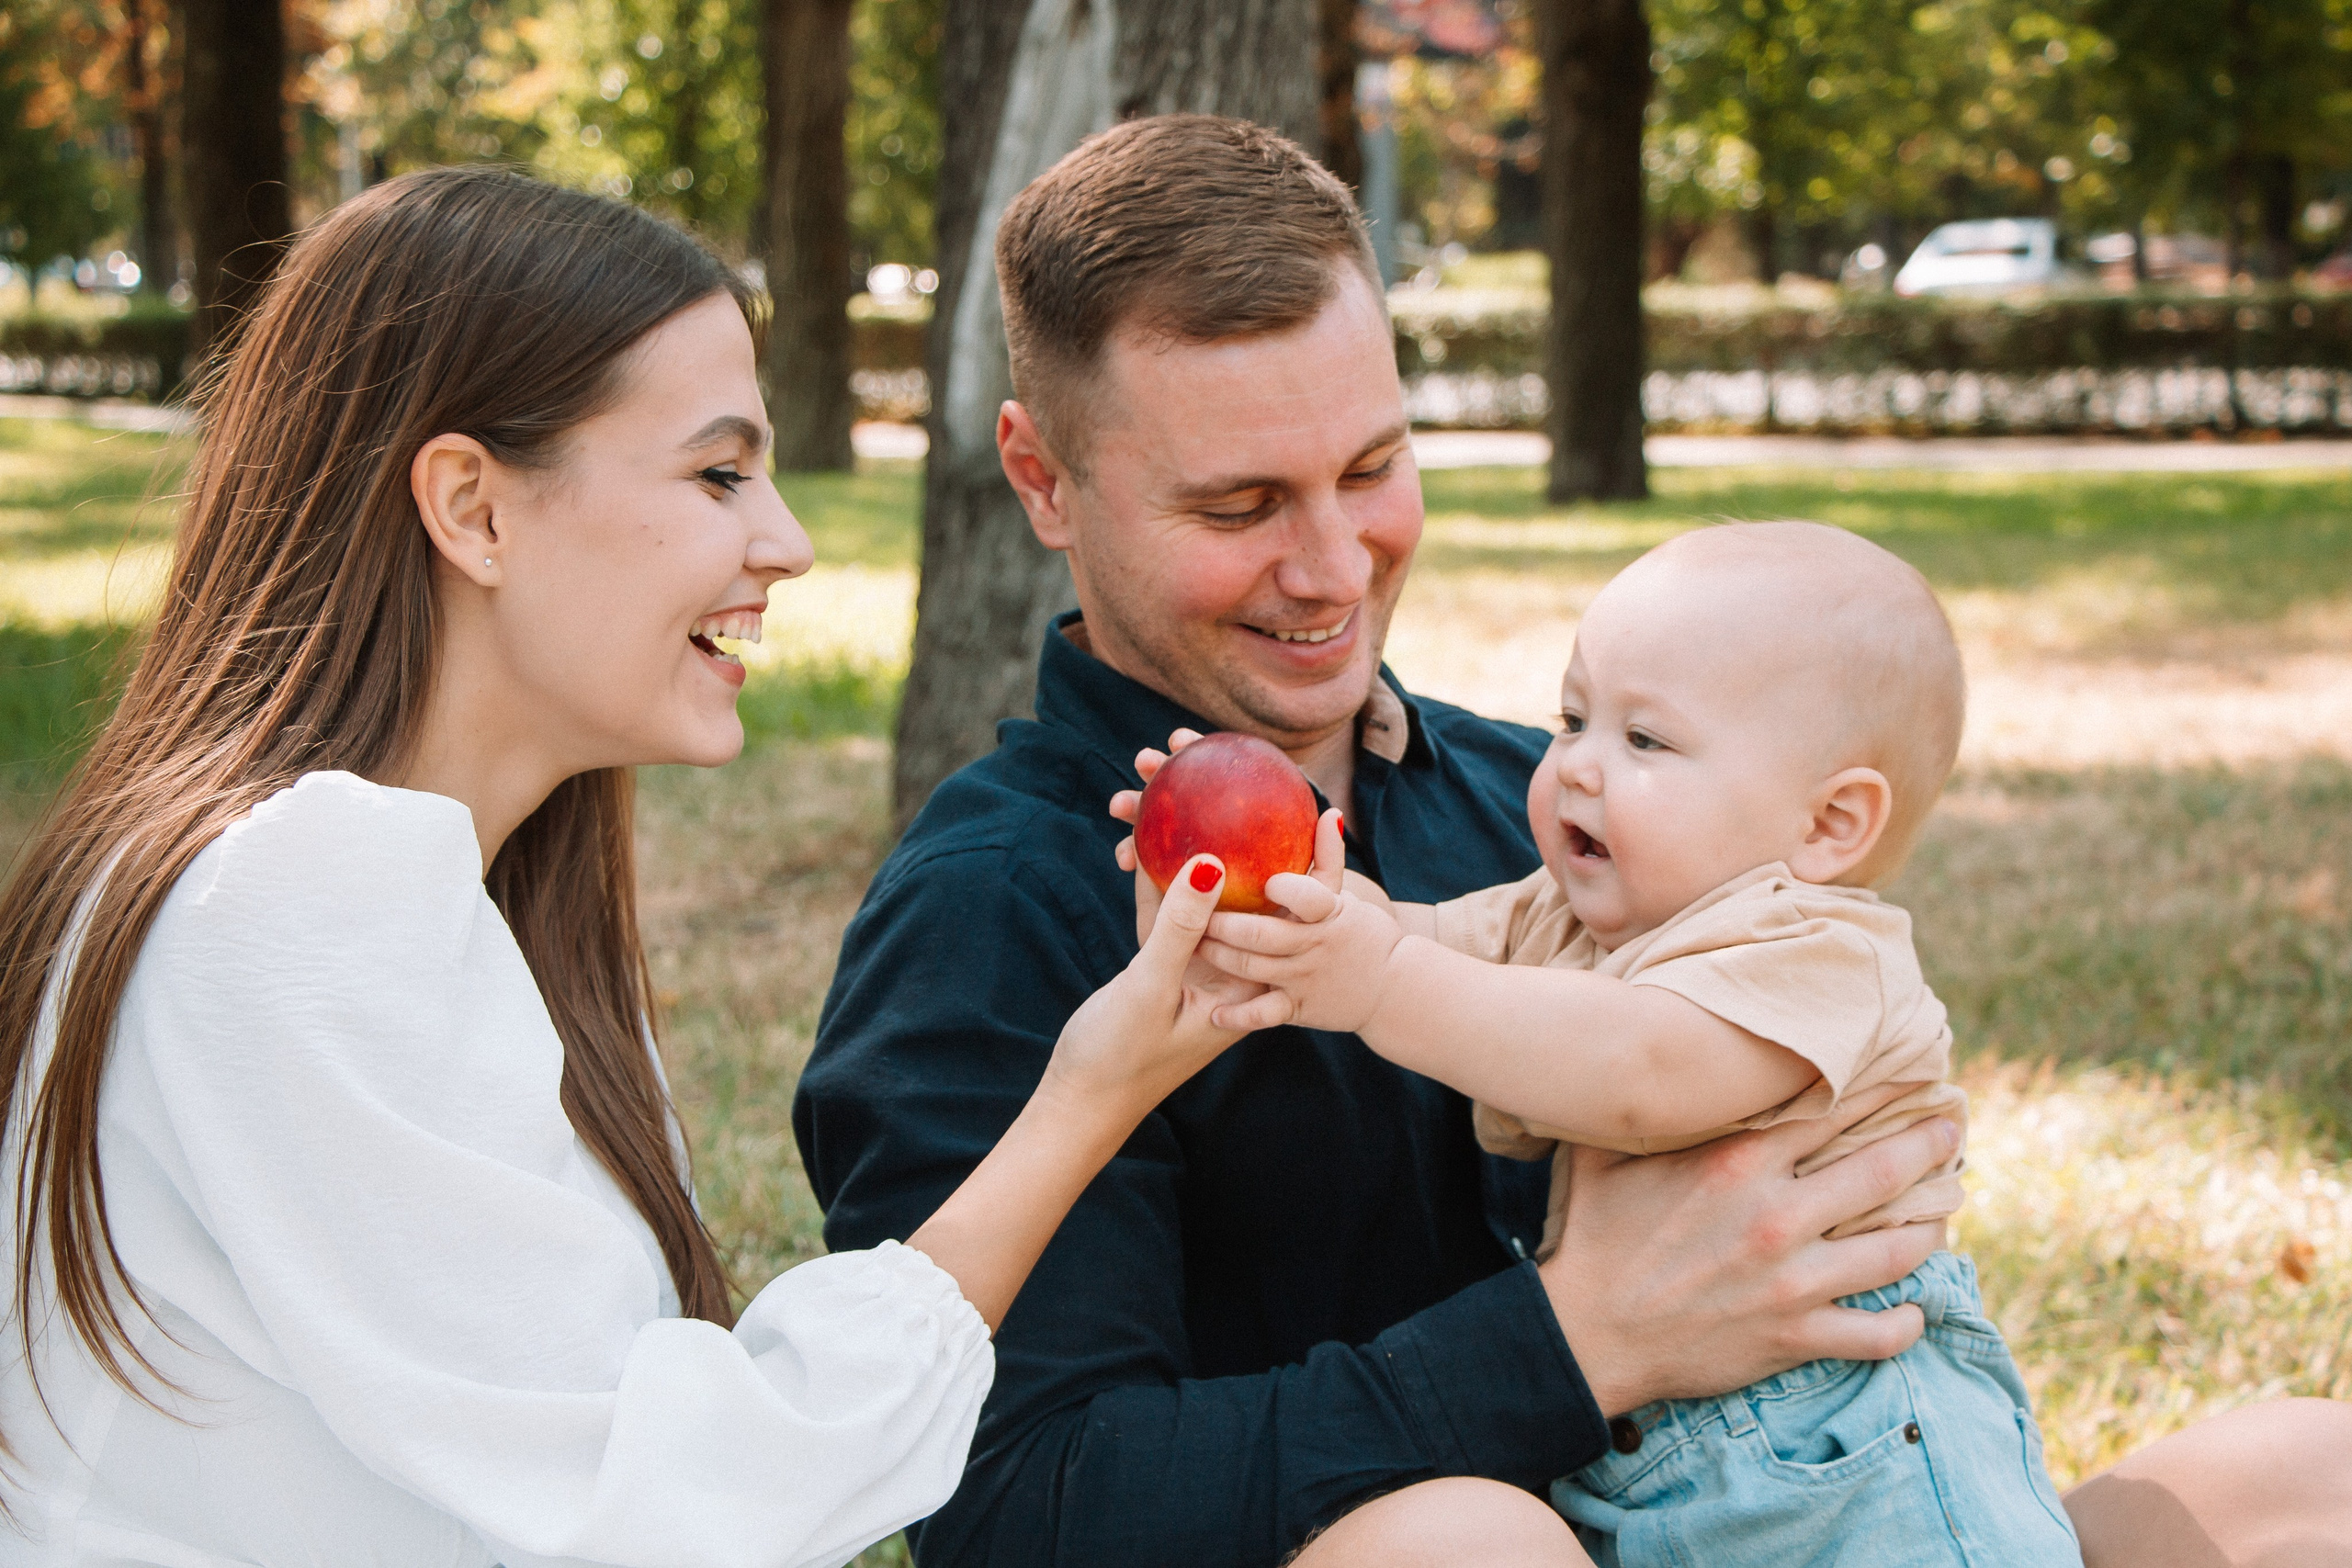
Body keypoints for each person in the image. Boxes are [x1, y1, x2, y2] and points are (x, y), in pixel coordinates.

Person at [792, 114, 2352, 1568]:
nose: (1333, 565)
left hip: (1738, 1523)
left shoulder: (1556, 799)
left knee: (2310, 1475)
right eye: (1241, 503)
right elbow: (1021, 1505)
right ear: (1041, 479)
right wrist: (1584, 1336)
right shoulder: (992, 913)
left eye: (1372, 468)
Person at [0, 166, 1255, 1566]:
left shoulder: (447, 895)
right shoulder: (295, 903)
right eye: (719, 472)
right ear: (473, 509)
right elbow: (677, 1505)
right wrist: (1092, 1091)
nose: (787, 540)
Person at [1169, 521, 2079, 1564]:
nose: (1577, 769)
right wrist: (1290, 895)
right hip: (1664, 1455)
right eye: (1572, 718)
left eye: (1644, 741)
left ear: (1829, 826)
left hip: (1856, 1447)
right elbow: (1411, 935)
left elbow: (1638, 1071)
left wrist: (1375, 983)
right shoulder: (1566, 913)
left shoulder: (1821, 950)